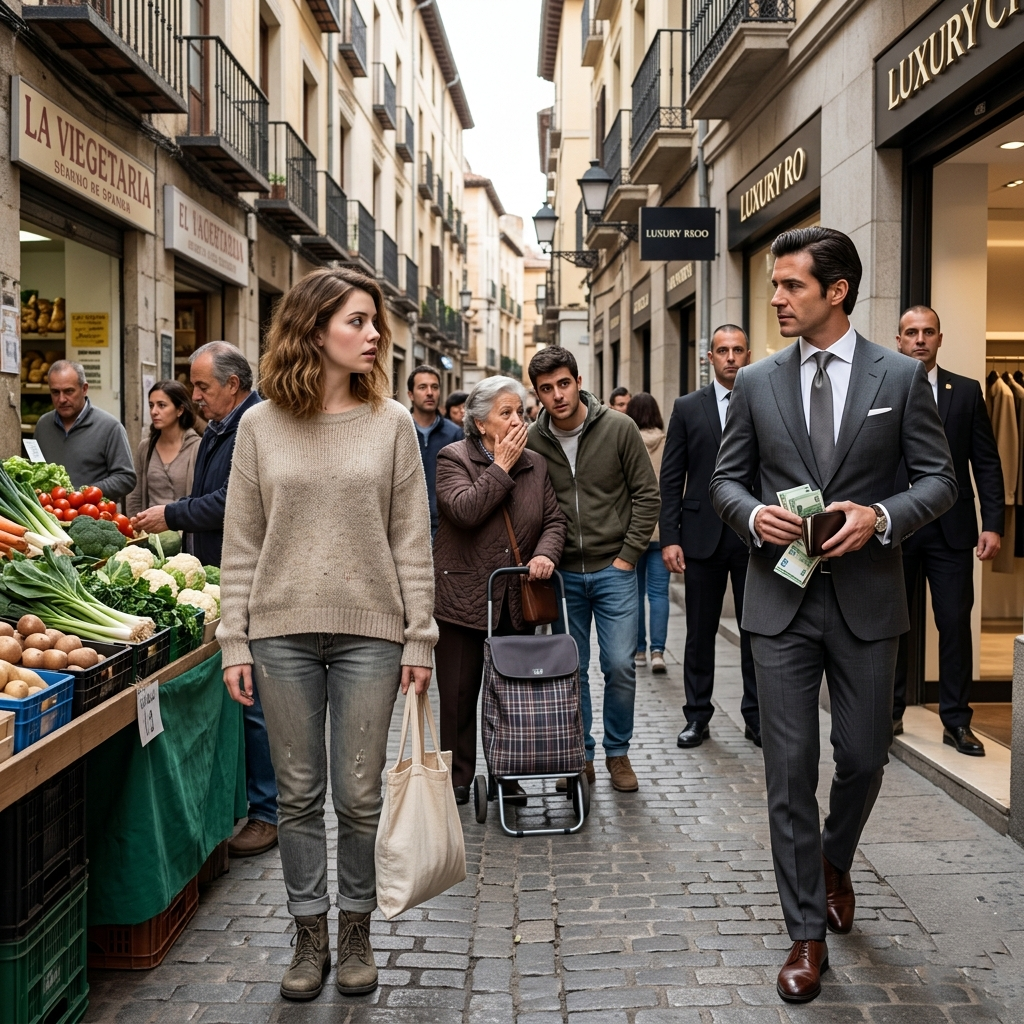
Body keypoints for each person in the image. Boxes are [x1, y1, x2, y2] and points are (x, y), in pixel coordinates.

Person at [710, 227, 956, 1003]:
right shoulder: (755, 382)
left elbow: (940, 480)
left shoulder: (900, 375)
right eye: (775, 285)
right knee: (788, 772)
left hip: (867, 600)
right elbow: (726, 481)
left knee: (864, 758)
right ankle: (806, 935)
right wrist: (753, 518)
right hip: (779, 602)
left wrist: (879, 518)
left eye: (790, 286)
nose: (776, 299)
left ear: (836, 291)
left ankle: (835, 857)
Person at [219, 267, 436, 1001]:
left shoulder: (394, 423)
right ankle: (308, 934)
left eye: (375, 321)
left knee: (361, 795)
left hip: (371, 635)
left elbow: (412, 538)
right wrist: (233, 639)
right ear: (314, 330)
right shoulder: (257, 425)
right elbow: (242, 542)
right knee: (299, 794)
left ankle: (355, 931)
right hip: (279, 632)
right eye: (357, 321)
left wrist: (420, 637)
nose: (375, 334)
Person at [132, 342, 276, 860]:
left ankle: (267, 812)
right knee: (243, 695)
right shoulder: (222, 427)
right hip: (221, 574)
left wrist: (171, 514)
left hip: (249, 577)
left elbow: (232, 503)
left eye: (202, 387)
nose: (194, 396)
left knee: (253, 698)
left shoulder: (252, 426)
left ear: (233, 386)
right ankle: (250, 802)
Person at [527, 347, 660, 792]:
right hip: (562, 574)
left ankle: (617, 754)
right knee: (573, 668)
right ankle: (579, 755)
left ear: (578, 380)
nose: (558, 395)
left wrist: (628, 556)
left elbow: (647, 495)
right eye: (546, 389)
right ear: (538, 394)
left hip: (613, 569)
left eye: (564, 384)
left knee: (620, 664)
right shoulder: (532, 440)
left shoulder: (619, 428)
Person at [433, 375, 566, 804]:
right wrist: (501, 467)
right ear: (479, 422)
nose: (516, 421)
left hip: (515, 596)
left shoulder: (536, 463)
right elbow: (464, 511)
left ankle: (509, 772)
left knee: (513, 694)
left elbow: (554, 521)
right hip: (463, 597)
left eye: (521, 412)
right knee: (458, 694)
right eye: (505, 413)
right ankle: (458, 776)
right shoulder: (452, 457)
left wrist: (545, 553)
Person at [893, 305, 1003, 756]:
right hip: (895, 529)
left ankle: (956, 721)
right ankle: (888, 714)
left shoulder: (967, 391)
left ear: (940, 338)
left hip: (953, 531)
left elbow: (987, 463)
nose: (920, 339)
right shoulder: (882, 387)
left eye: (928, 332)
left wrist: (993, 523)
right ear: (898, 341)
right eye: (911, 333)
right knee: (892, 627)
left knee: (955, 624)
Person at [660, 327, 761, 748]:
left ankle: (757, 719)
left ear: (749, 354)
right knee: (699, 634)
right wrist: (670, 537)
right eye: (723, 351)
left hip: (754, 536)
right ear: (710, 357)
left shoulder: (764, 398)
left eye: (738, 350)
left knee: (756, 631)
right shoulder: (687, 407)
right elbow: (671, 476)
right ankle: (697, 717)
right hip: (700, 537)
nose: (731, 358)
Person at [35, 360, 136, 500]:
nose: (62, 399)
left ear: (84, 389)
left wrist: (84, 494)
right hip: (48, 516)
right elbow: (36, 470)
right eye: (55, 392)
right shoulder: (43, 425)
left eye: (69, 391)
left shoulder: (110, 427)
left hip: (94, 516)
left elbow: (126, 478)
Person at [624, 393, 669, 675]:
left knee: (635, 593)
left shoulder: (625, 440)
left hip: (632, 531)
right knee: (659, 593)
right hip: (663, 529)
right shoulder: (667, 442)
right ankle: (658, 653)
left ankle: (638, 650)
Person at [126, 380, 201, 518]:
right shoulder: (145, 447)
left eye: (162, 405)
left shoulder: (197, 447)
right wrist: (137, 527)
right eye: (151, 405)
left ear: (180, 410)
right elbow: (135, 495)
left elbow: (200, 500)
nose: (154, 412)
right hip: (150, 533)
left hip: (183, 531)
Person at [408, 364, 463, 539]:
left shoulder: (455, 433)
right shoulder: (398, 430)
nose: (430, 392)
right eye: (422, 387)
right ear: (410, 394)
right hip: (406, 526)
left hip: (445, 528)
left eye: (435, 387)